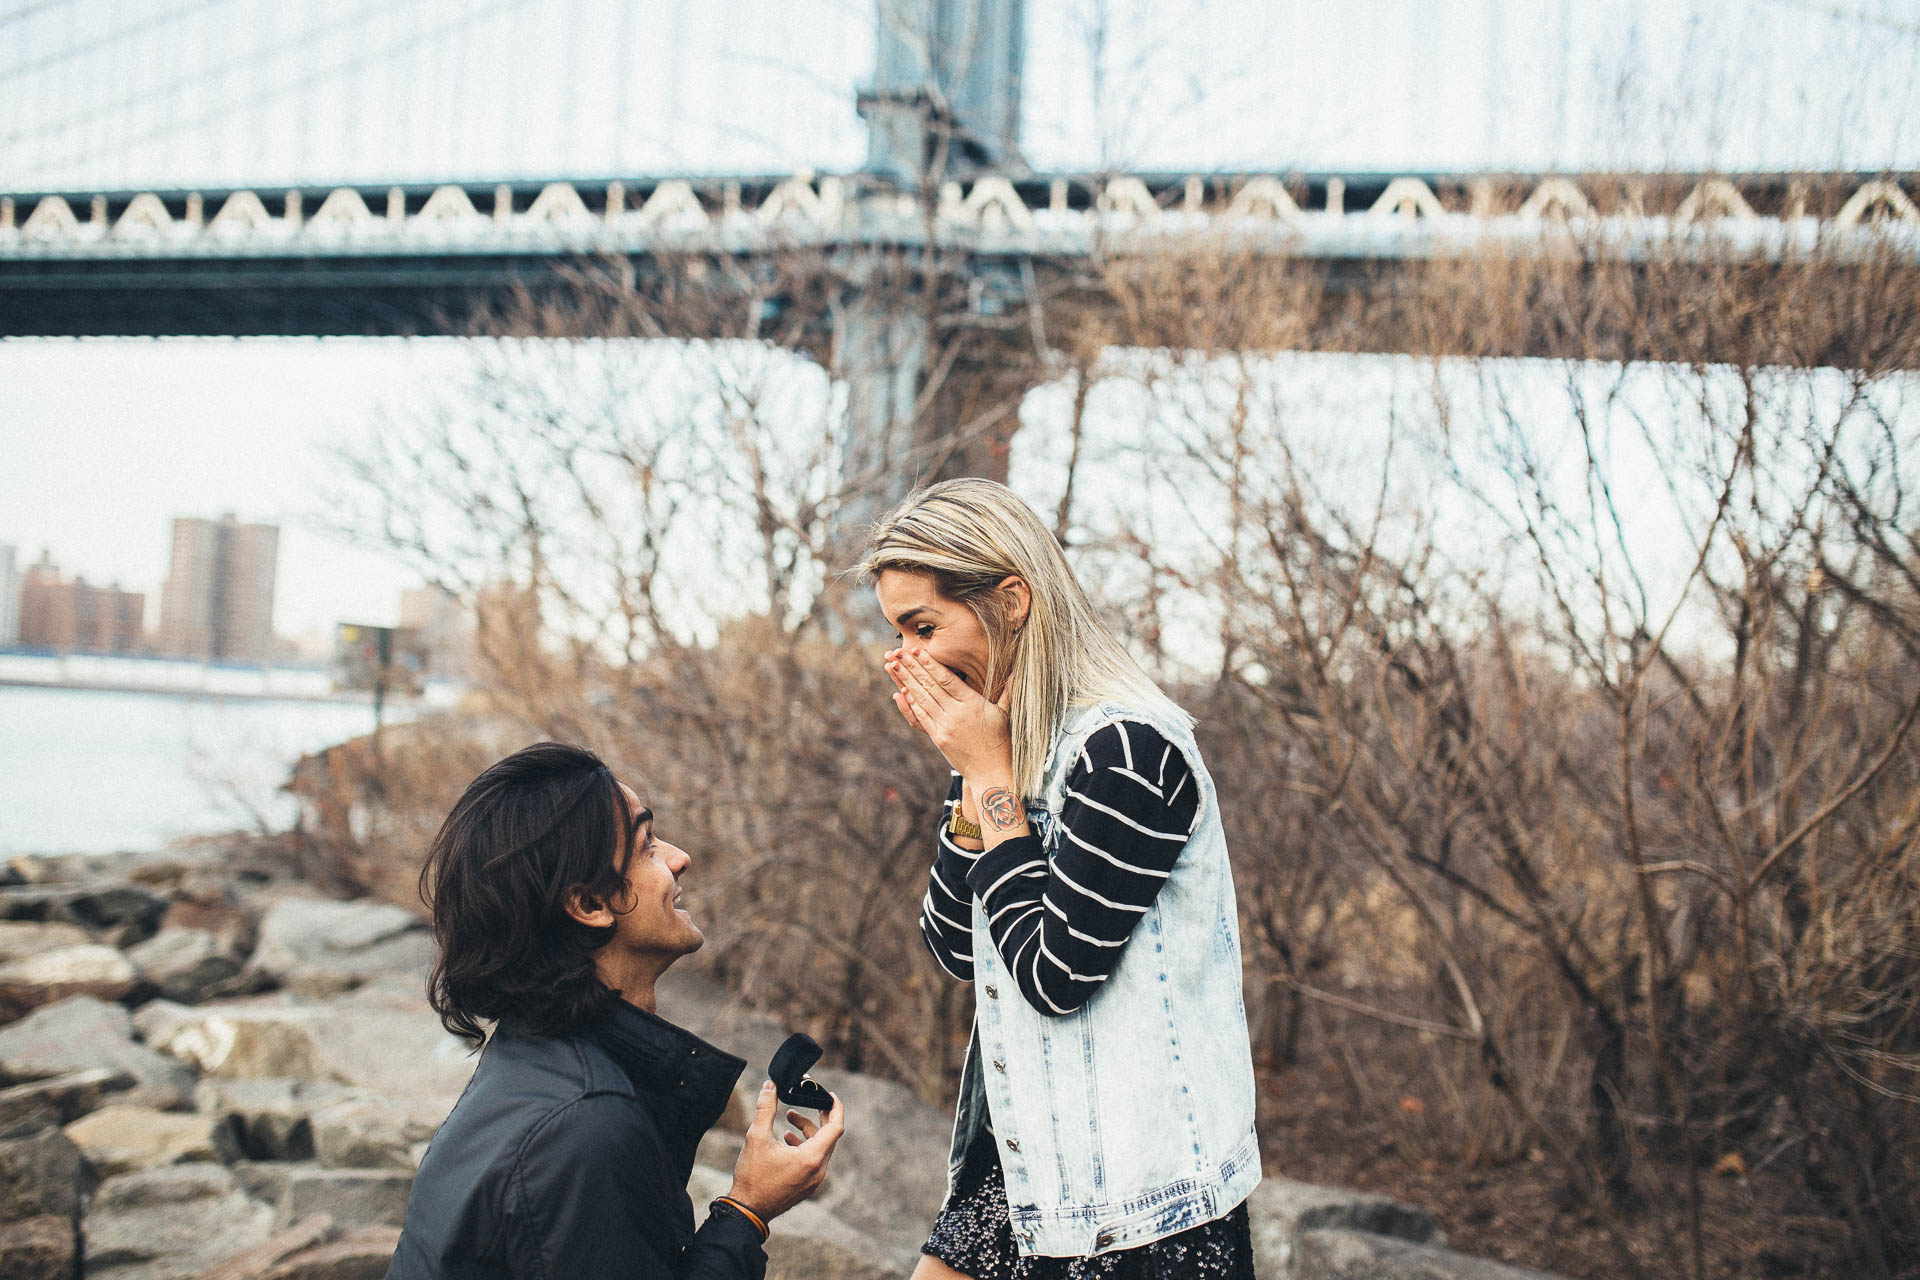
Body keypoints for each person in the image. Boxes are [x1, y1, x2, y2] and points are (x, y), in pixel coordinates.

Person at [859, 478, 1260, 1280]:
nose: (906, 659)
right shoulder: (1007, 744)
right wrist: (976, 777)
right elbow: (956, 945)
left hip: (1143, 1213)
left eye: (922, 626)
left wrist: (990, 779)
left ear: (1011, 600)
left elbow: (1053, 972)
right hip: (1026, 1171)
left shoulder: (1130, 750)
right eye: (896, 633)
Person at [386, 742, 846, 1280]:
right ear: (589, 905)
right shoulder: (583, 1128)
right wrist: (747, 1211)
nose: (680, 858)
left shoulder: (534, 1060)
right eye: (648, 846)